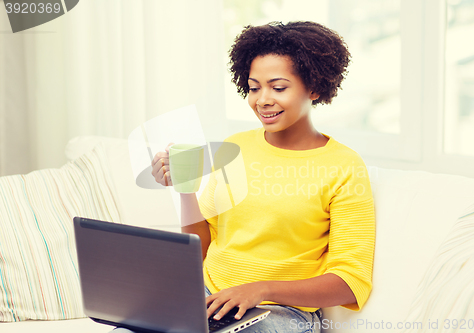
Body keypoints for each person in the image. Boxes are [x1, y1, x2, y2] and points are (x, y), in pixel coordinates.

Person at [118, 21, 375, 333]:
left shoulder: (344, 166)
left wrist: (261, 290)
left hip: (280, 313)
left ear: (315, 87)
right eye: (254, 87)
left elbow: (349, 282)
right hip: (207, 297)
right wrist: (185, 189)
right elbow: (202, 246)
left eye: (278, 88)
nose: (262, 100)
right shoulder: (236, 146)